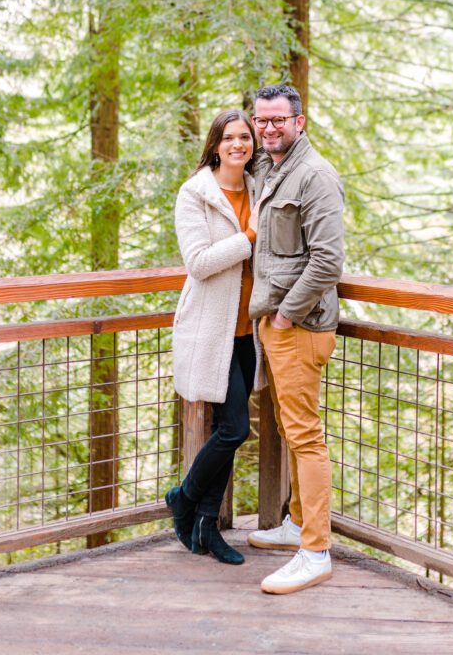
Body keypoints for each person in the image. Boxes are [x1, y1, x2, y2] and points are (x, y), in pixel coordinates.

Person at [246, 83, 344, 594]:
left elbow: (328, 260)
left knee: (305, 437)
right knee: (290, 428)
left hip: (299, 327)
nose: (268, 128)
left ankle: (316, 550)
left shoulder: (315, 176)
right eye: (262, 120)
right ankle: (296, 524)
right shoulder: (272, 169)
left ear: (299, 122)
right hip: (278, 324)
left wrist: (284, 316)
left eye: (278, 120)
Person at [165, 109, 262, 565]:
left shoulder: (260, 186)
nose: (239, 144)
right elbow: (199, 262)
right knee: (235, 428)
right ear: (216, 145)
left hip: (248, 330)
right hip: (212, 330)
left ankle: (206, 525)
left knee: (231, 427)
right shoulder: (196, 193)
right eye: (230, 138)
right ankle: (184, 498)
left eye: (246, 137)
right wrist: (248, 236)